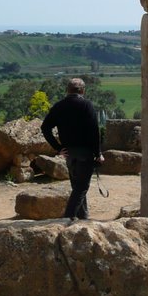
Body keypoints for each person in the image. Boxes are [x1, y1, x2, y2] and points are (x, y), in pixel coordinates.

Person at [40, 78, 104, 219]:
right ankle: (68, 218)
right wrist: (98, 152)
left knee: (77, 187)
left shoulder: (59, 106)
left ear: (67, 90)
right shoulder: (87, 105)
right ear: (82, 90)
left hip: (69, 153)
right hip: (85, 153)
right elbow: (94, 131)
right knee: (82, 187)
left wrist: (58, 148)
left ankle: (83, 217)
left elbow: (45, 128)